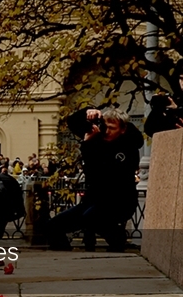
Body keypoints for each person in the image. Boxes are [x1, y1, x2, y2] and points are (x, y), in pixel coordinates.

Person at [48, 107, 143, 252]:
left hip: (119, 201)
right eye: (105, 127)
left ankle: (117, 240)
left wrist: (89, 145)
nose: (107, 131)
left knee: (90, 217)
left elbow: (107, 173)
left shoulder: (128, 145)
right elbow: (72, 122)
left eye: (112, 128)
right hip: (93, 201)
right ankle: (65, 255)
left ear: (123, 130)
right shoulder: (96, 139)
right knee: (53, 226)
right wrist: (90, 111)